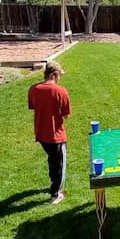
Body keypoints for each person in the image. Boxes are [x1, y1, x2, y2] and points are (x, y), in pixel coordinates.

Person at [28, 61, 71, 204]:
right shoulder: (61, 91)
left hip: (41, 134)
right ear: (54, 75)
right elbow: (66, 114)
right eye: (59, 75)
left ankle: (53, 185)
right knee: (59, 164)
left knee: (52, 159)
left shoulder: (33, 89)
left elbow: (34, 106)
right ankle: (56, 194)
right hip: (56, 135)